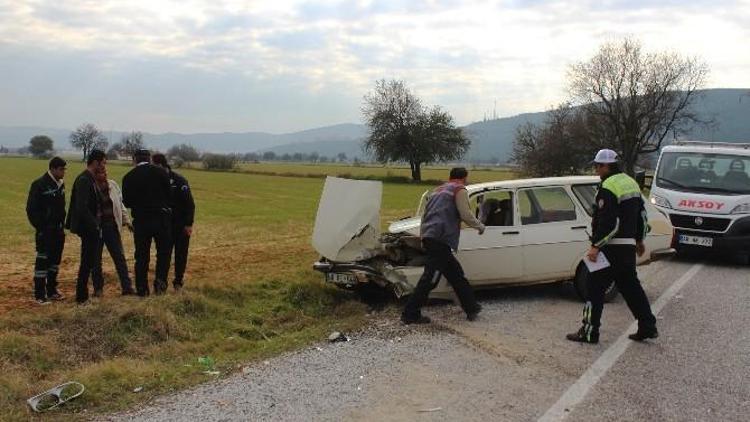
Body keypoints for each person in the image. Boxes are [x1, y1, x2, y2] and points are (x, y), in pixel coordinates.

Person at [566, 149, 658, 344]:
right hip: (626, 249)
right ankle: (647, 326)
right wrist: (640, 240)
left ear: (607, 166)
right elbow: (642, 216)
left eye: (598, 166)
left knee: (594, 287)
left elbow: (610, 222)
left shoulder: (608, 186)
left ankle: (590, 332)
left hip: (610, 247)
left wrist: (596, 246)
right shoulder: (630, 182)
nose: (596, 170)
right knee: (631, 288)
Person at [401, 167, 485, 324]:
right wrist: (480, 226)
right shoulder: (459, 190)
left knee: (455, 274)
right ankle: (410, 314)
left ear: (450, 177)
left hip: (431, 237)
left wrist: (423, 237)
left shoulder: (437, 190)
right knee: (429, 279)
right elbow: (465, 214)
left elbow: (425, 215)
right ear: (464, 178)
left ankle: (472, 308)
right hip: (441, 239)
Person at [121, 149, 172, 296]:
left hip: (142, 221)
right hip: (161, 219)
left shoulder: (129, 177)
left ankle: (142, 289)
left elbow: (127, 202)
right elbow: (169, 196)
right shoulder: (161, 173)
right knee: (163, 254)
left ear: (134, 159)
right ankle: (160, 286)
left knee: (142, 256)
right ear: (149, 159)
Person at [66, 149, 106, 304]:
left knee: (88, 262)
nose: (103, 166)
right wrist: (95, 225)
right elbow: (81, 207)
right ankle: (81, 297)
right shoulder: (84, 179)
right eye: (103, 163)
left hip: (90, 228)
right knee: (86, 262)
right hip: (87, 228)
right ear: (95, 162)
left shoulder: (90, 178)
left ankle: (82, 295)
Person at [26, 157, 67, 304]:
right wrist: (42, 226)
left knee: (55, 262)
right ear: (53, 169)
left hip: (58, 231)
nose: (64, 172)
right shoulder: (39, 185)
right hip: (45, 232)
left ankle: (51, 290)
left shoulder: (61, 185)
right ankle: (39, 295)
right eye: (62, 169)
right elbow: (31, 210)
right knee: (42, 262)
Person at [152, 154, 195, 291]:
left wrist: (188, 224)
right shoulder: (155, 182)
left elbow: (190, 204)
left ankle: (178, 281)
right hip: (165, 226)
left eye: (153, 166)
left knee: (181, 255)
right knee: (164, 255)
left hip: (181, 226)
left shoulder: (179, 180)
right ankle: (161, 284)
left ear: (160, 165)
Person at [94, 168, 136, 295]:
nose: (105, 174)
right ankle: (98, 289)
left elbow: (120, 204)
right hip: (96, 228)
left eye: (106, 172)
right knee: (95, 260)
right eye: (102, 172)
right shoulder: (91, 186)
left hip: (111, 227)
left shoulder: (113, 185)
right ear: (96, 174)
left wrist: (127, 221)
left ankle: (127, 287)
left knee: (119, 258)